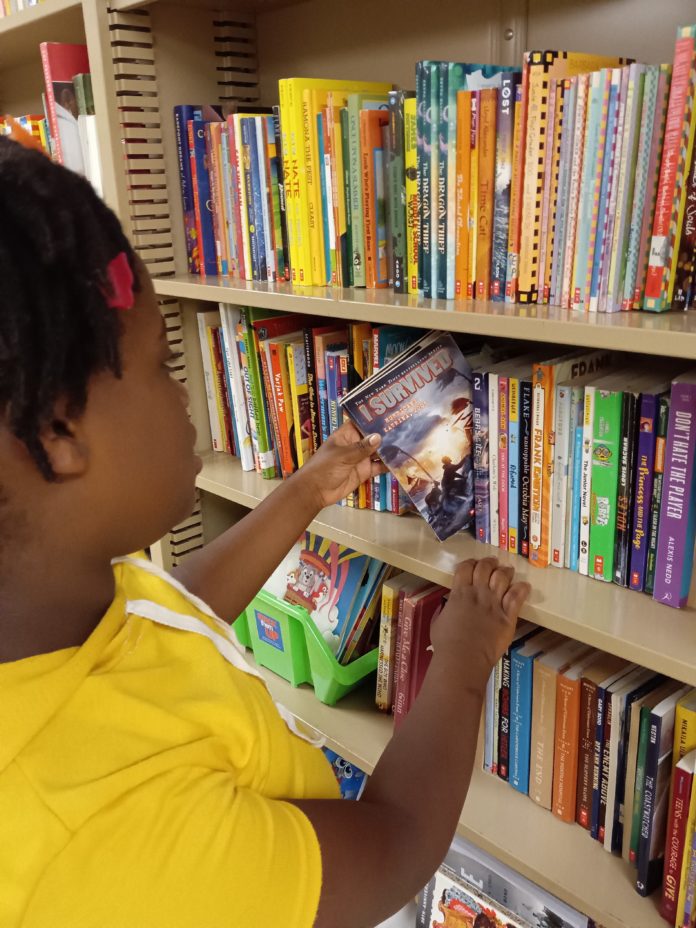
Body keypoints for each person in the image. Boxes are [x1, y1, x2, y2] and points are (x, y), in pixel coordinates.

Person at [0, 136, 530, 928]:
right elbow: (396, 843)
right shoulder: (103, 828)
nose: (185, 392)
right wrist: (462, 656)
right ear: (57, 431)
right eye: (161, 365)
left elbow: (167, 621)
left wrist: (308, 489)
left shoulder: (49, 607)